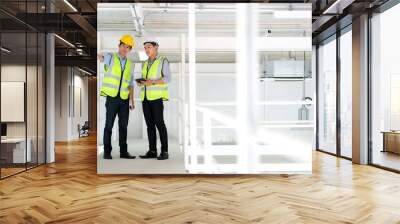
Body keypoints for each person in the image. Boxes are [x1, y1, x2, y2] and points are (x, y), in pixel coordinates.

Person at [98, 34, 136, 160]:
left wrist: (132, 100)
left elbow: (130, 83)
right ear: (119, 46)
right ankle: (107, 152)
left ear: (130, 49)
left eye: (128, 47)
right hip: (112, 98)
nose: (125, 48)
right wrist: (99, 56)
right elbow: (102, 58)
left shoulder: (131, 64)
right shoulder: (111, 57)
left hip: (124, 99)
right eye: (123, 45)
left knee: (123, 127)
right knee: (109, 125)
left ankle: (123, 152)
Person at [138, 40, 171, 160]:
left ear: (156, 47)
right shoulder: (144, 63)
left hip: (156, 98)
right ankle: (152, 150)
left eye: (149, 47)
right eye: (145, 48)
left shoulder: (163, 61)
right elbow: (147, 80)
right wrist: (142, 83)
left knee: (160, 125)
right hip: (145, 98)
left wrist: (151, 82)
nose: (146, 50)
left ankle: (165, 151)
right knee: (149, 125)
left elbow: (167, 78)